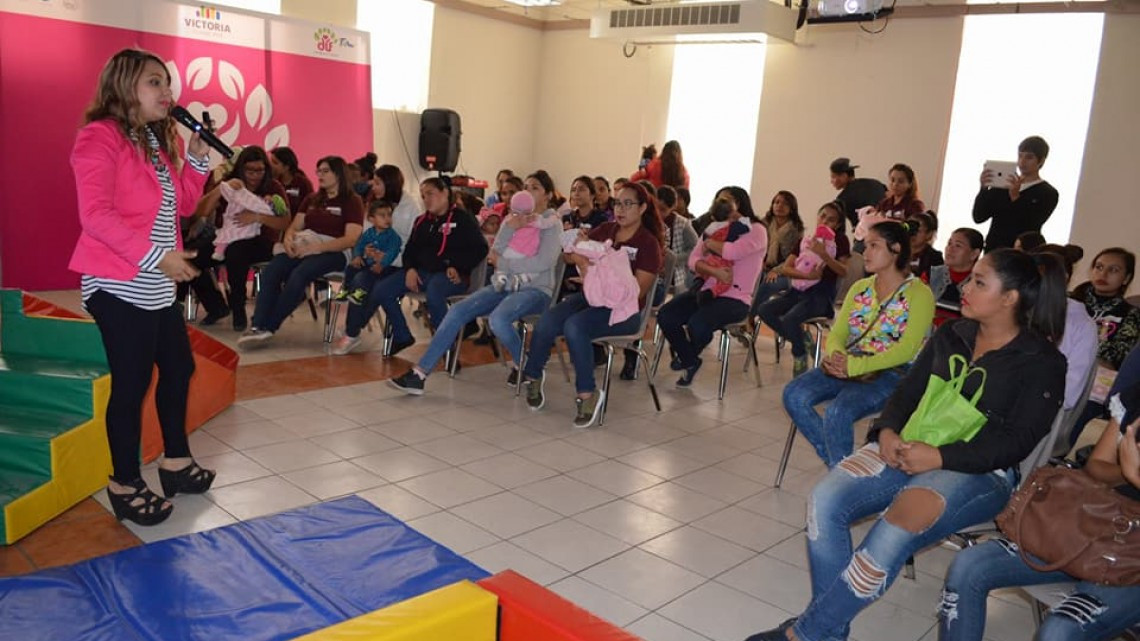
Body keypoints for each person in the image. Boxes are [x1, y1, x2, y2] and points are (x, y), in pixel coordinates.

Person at [746, 249, 1068, 641]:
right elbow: (907, 391)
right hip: (911, 445)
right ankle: (829, 631)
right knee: (825, 500)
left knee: (894, 529)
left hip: (980, 472)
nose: (965, 288)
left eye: (979, 282)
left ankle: (805, 634)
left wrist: (939, 457)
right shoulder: (953, 334)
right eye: (971, 279)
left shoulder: (1041, 361)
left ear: (1010, 298)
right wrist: (886, 431)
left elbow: (1017, 442)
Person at [70, 48, 217, 526]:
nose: (166, 92)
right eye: (155, 81)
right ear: (124, 84)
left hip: (155, 283)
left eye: (167, 82)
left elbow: (183, 205)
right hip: (117, 283)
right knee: (131, 385)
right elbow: (95, 216)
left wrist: (196, 160)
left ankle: (175, 462)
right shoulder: (99, 137)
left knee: (178, 367)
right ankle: (125, 483)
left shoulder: (153, 141)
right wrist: (159, 258)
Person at [938, 380, 1140, 641]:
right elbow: (1097, 466)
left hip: (1132, 565)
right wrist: (1125, 471)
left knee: (1059, 631)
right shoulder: (1135, 397)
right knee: (969, 566)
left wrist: (1136, 476)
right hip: (1096, 530)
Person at [388, 171, 562, 394]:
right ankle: (419, 374)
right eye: (526, 187)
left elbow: (542, 262)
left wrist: (505, 263)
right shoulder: (512, 219)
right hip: (504, 285)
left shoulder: (551, 223)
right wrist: (511, 228)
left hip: (536, 290)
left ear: (548, 195)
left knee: (498, 320)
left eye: (535, 188)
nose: (528, 192)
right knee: (457, 311)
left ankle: (527, 366)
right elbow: (494, 252)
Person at [781, 221, 935, 466]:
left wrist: (853, 366)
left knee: (838, 412)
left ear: (896, 249)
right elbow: (838, 333)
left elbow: (907, 350)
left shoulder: (919, 293)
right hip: (851, 363)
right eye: (865, 245)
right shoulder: (861, 287)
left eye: (874, 246)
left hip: (894, 372)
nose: (865, 252)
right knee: (793, 395)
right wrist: (837, 355)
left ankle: (840, 472)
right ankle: (841, 467)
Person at [519, 182, 664, 428]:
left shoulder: (648, 244)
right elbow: (568, 254)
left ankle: (587, 394)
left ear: (642, 208)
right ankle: (533, 376)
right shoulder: (607, 230)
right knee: (549, 320)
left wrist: (598, 271)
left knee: (575, 326)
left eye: (628, 204)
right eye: (618, 203)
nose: (620, 209)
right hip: (593, 297)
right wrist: (580, 256)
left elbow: (637, 291)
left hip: (624, 310)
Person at [336, 177, 487, 356]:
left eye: (430, 194)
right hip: (422, 272)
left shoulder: (463, 219)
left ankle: (445, 347)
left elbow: (481, 249)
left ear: (445, 193)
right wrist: (410, 269)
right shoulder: (422, 221)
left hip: (451, 275)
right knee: (381, 290)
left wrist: (457, 265)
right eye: (423, 196)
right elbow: (410, 251)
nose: (426, 199)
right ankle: (402, 336)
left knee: (434, 293)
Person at [237, 156, 364, 347]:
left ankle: (269, 327)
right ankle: (257, 326)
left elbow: (351, 239)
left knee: (300, 273)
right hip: (304, 246)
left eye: (325, 171)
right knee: (273, 270)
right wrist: (288, 241)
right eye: (318, 171)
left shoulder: (352, 201)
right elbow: (294, 226)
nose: (320, 175)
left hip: (335, 252)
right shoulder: (312, 198)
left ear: (339, 174)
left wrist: (315, 249)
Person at [657, 186, 767, 387]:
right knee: (666, 315)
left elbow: (732, 252)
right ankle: (690, 359)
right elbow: (692, 260)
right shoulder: (714, 227)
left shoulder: (756, 229)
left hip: (736, 298)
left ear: (739, 204)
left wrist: (708, 244)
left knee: (697, 323)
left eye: (726, 201)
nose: (722, 205)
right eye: (719, 200)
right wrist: (714, 271)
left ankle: (687, 356)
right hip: (705, 291)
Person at [183, 145, 290, 330]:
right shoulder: (231, 183)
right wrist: (220, 189)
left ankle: (238, 306)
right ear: (241, 168)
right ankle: (216, 306)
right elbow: (200, 211)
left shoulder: (273, 187)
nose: (255, 176)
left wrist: (258, 217)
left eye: (260, 170)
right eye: (250, 171)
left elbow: (285, 222)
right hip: (225, 237)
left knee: (236, 252)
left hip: (260, 240)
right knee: (190, 257)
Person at [754, 202, 851, 376]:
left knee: (790, 319)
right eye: (822, 216)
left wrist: (824, 255)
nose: (825, 221)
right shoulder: (806, 239)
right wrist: (807, 276)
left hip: (820, 296)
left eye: (831, 220)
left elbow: (844, 271)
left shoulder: (839, 241)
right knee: (764, 309)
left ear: (837, 225)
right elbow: (786, 268)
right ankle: (802, 340)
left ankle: (799, 354)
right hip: (797, 291)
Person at [1067, 247, 1140, 445]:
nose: (1103, 274)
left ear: (1126, 278)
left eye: (1113, 270)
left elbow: (1119, 355)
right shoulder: (1071, 303)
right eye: (1099, 267)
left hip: (1097, 384)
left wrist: (1082, 347)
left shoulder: (1130, 314)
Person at [1031, 243, 1097, 412]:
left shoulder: (1082, 325)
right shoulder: (1017, 308)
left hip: (1042, 410)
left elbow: (1068, 395)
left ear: (1063, 279)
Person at [972, 135, 1059, 252]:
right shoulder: (1003, 185)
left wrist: (1015, 197)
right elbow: (979, 217)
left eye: (1029, 157)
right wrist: (984, 189)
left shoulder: (1048, 193)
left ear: (1041, 161)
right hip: (994, 250)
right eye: (1020, 156)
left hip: (1022, 253)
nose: (1022, 162)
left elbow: (1031, 223)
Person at [332, 200, 401, 307]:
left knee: (366, 276)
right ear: (371, 219)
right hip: (368, 262)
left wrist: (382, 264)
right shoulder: (368, 233)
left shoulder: (393, 236)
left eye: (389, 215)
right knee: (351, 268)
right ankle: (345, 290)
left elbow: (393, 252)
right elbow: (359, 245)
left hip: (383, 267)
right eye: (382, 216)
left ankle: (359, 294)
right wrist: (357, 256)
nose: (387, 219)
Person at [853, 163, 926, 251]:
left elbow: (916, 228)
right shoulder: (885, 203)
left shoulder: (915, 205)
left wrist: (898, 226)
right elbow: (875, 219)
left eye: (901, 181)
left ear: (909, 184)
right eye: (892, 180)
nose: (895, 184)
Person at [929, 227, 984, 327]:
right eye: (949, 243)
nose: (950, 249)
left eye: (958, 246)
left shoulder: (981, 284)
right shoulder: (931, 275)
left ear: (974, 254)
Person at [830, 157, 886, 230]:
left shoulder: (842, 199)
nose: (831, 181)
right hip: (887, 228)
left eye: (833, 177)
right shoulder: (875, 183)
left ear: (844, 176)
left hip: (867, 233)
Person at [762, 191, 805, 278]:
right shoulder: (764, 224)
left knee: (770, 283)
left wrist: (776, 271)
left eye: (785, 204)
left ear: (792, 208)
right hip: (761, 266)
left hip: (784, 270)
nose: (780, 206)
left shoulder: (796, 230)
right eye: (777, 202)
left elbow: (793, 257)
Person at [269, 146, 314, 215]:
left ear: (286, 167)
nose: (270, 165)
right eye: (270, 161)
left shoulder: (303, 184)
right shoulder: (270, 182)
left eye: (275, 163)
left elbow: (311, 207)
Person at [907, 211, 944, 281]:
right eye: (910, 229)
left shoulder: (935, 258)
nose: (913, 234)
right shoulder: (897, 251)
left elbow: (936, 283)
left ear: (929, 234)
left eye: (918, 231)